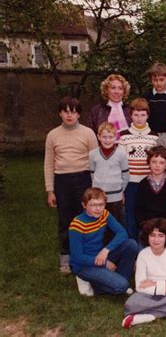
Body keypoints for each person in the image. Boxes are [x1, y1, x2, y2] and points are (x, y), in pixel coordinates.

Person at [44, 97, 98, 274]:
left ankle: (86, 255)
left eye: (73, 111)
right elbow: (49, 164)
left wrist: (95, 188)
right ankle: (65, 258)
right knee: (65, 220)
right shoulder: (52, 135)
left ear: (78, 114)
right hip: (62, 181)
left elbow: (95, 161)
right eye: (65, 111)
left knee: (86, 217)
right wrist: (50, 190)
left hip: (83, 179)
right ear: (60, 113)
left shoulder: (88, 133)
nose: (69, 115)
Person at [69, 188, 138, 296]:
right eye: (93, 205)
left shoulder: (104, 214)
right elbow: (77, 256)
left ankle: (115, 280)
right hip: (84, 265)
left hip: (100, 256)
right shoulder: (77, 224)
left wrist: (106, 250)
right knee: (122, 286)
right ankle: (89, 280)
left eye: (101, 204)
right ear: (84, 205)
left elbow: (122, 233)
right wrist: (104, 264)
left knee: (131, 244)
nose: (98, 209)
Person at [119, 98, 159, 239]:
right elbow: (120, 163)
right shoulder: (124, 137)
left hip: (148, 182)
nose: (139, 118)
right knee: (130, 213)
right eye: (136, 115)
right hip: (130, 183)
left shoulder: (154, 137)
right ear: (130, 115)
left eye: (142, 115)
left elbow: (157, 162)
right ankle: (133, 243)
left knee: (146, 213)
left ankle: (147, 242)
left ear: (147, 115)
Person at [89, 122, 129, 227]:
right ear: (98, 137)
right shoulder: (93, 154)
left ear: (115, 137)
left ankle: (115, 243)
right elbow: (92, 174)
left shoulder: (121, 153)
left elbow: (125, 175)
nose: (107, 140)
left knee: (115, 224)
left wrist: (120, 191)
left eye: (110, 137)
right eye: (104, 137)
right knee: (99, 225)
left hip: (116, 198)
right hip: (98, 198)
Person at [135, 146, 166, 229]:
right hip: (148, 228)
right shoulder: (142, 184)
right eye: (154, 162)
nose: (157, 165)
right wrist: (144, 226)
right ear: (149, 163)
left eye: (161, 163)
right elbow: (139, 210)